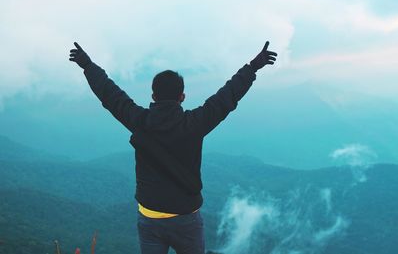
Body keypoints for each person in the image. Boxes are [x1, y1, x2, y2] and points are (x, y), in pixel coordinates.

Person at [68, 41, 277, 254]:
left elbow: (110, 95)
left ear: (153, 97)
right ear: (182, 97)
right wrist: (252, 68)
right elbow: (226, 97)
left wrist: (87, 65)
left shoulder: (139, 121)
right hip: (186, 218)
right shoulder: (194, 124)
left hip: (150, 216)